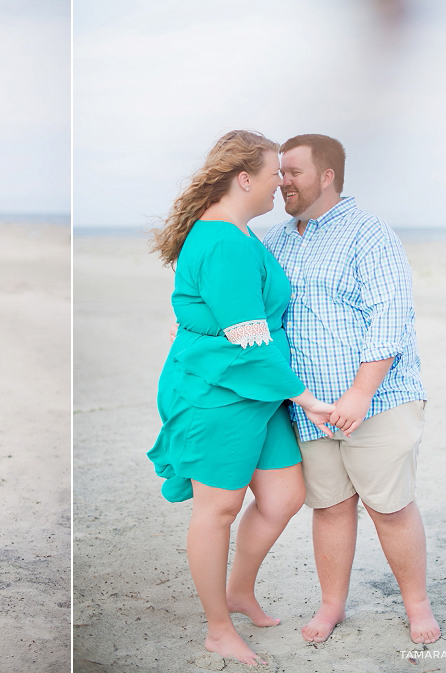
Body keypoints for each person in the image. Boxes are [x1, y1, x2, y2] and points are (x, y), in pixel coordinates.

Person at [147, 130, 335, 666]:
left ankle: (238, 590)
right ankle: (217, 627)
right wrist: (308, 399)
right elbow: (246, 338)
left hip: (255, 391)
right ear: (244, 177)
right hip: (219, 391)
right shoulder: (225, 240)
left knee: (283, 496)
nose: (281, 183)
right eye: (275, 172)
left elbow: (213, 309)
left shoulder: (241, 234)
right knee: (219, 507)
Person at [264, 133, 440, 645]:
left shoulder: (370, 234)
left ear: (326, 176)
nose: (282, 182)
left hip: (377, 400)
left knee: (390, 507)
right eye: (278, 172)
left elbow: (391, 317)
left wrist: (360, 393)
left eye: (292, 171)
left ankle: (417, 605)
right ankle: (332, 605)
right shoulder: (274, 240)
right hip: (312, 407)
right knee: (332, 507)